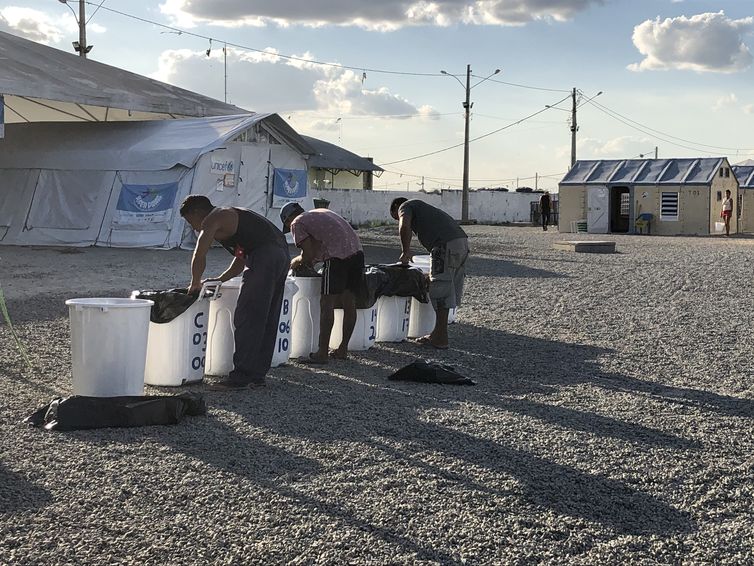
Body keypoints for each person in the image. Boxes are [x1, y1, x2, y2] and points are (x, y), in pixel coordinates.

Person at [180, 195, 290, 390]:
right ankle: (256, 375)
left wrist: (195, 282)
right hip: (280, 254)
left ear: (197, 213)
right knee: (266, 317)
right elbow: (241, 258)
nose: (194, 228)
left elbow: (200, 253)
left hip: (265, 256)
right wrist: (219, 279)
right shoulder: (233, 219)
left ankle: (241, 377)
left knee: (248, 315)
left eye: (191, 222)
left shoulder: (213, 218)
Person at [281, 202, 364, 364]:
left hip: (337, 259)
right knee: (349, 302)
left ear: (287, 219)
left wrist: (295, 262)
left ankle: (322, 353)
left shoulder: (296, 222)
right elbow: (322, 243)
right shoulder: (321, 213)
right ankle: (342, 349)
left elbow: (308, 253)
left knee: (327, 303)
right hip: (357, 255)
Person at [389, 197, 469, 350]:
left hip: (444, 245)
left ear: (396, 208)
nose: (397, 218)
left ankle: (440, 338)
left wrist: (405, 252)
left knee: (440, 290)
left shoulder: (405, 206)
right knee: (449, 289)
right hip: (462, 243)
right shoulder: (423, 208)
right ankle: (437, 333)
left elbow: (404, 225)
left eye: (395, 217)